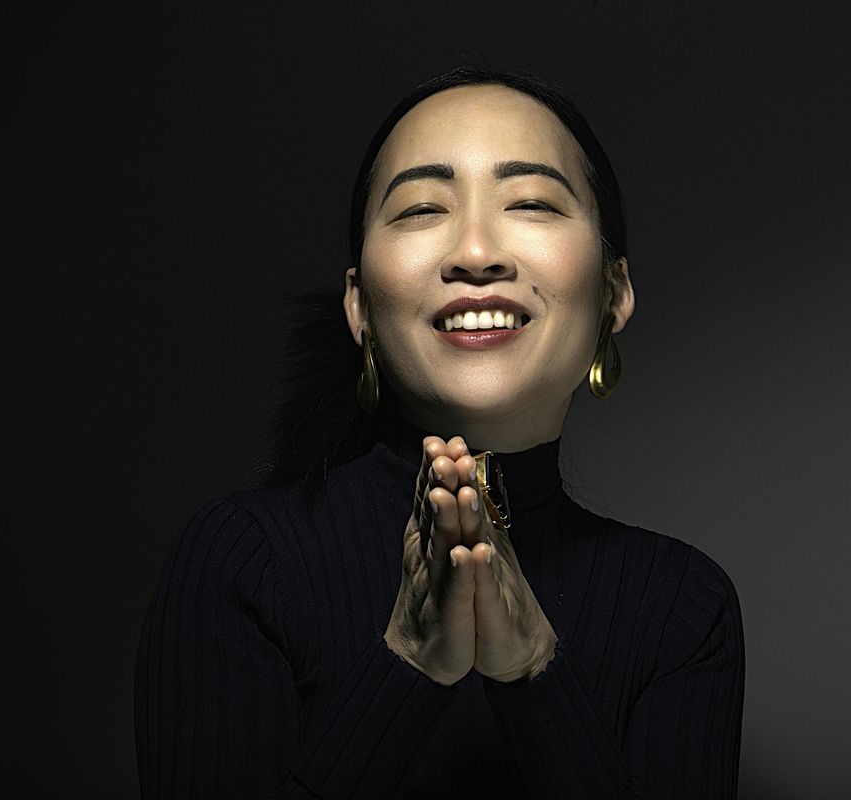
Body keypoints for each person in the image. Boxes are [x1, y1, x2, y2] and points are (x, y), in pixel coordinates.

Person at [134, 66, 745, 798]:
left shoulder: (681, 606)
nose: (476, 253)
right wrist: (409, 663)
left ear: (613, 293)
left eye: (531, 202)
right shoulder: (244, 563)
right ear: (359, 307)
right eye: (423, 208)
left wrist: (534, 670)